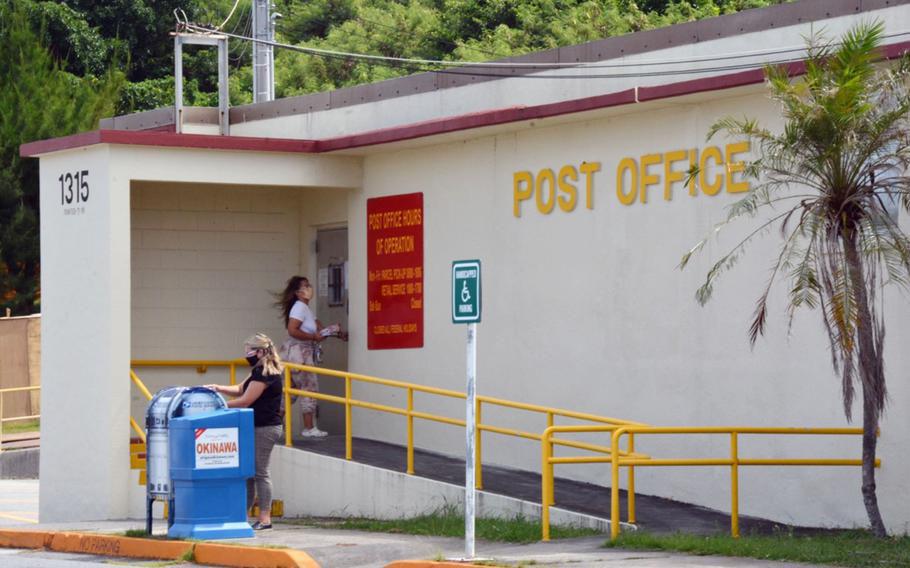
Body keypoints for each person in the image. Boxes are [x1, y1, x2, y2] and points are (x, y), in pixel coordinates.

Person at [206, 333, 283, 531]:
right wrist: (217, 388)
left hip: (265, 428)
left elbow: (245, 401)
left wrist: (217, 406)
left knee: (260, 472)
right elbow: (241, 389)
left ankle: (265, 518)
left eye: (249, 350)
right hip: (254, 426)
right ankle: (243, 515)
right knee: (248, 474)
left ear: (260, 351)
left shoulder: (266, 373)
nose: (246, 354)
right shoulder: (258, 370)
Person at [274, 275, 346, 438]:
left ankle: (275, 426)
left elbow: (318, 329)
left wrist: (334, 332)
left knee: (288, 391)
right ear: (298, 292)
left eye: (309, 285)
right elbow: (293, 330)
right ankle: (308, 427)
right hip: (300, 353)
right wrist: (314, 338)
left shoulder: (305, 309)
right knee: (309, 388)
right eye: (305, 286)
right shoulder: (299, 308)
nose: (309, 289)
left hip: (289, 354)